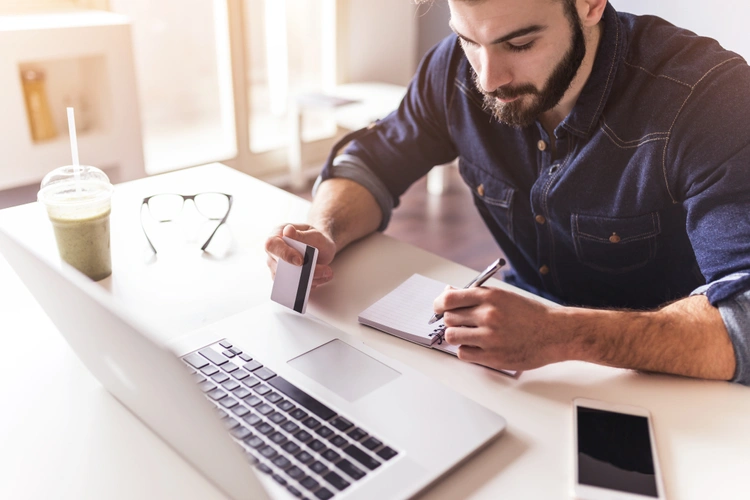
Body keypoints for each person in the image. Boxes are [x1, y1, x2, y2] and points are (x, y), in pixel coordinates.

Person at [265, 0, 750, 385]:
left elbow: (743, 319)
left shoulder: (710, 98)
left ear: (589, 4)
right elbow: (370, 160)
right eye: (468, 40)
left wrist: (563, 334)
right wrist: (325, 229)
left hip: (670, 377)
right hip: (517, 356)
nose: (489, 79)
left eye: (519, 43)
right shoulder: (456, 70)